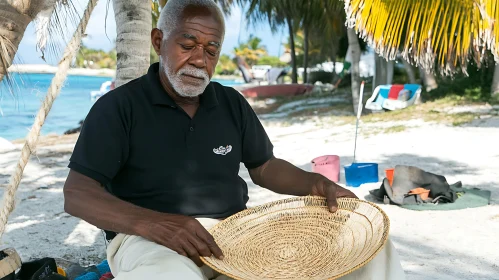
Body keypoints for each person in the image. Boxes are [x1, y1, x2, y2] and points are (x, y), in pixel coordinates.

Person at [63, 0, 405, 279]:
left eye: (212, 50)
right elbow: (77, 194)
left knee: (367, 246)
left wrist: (314, 183)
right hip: (149, 240)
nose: (199, 59)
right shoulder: (120, 108)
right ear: (158, 41)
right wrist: (155, 224)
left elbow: (264, 166)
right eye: (187, 45)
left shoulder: (230, 103)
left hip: (235, 234)